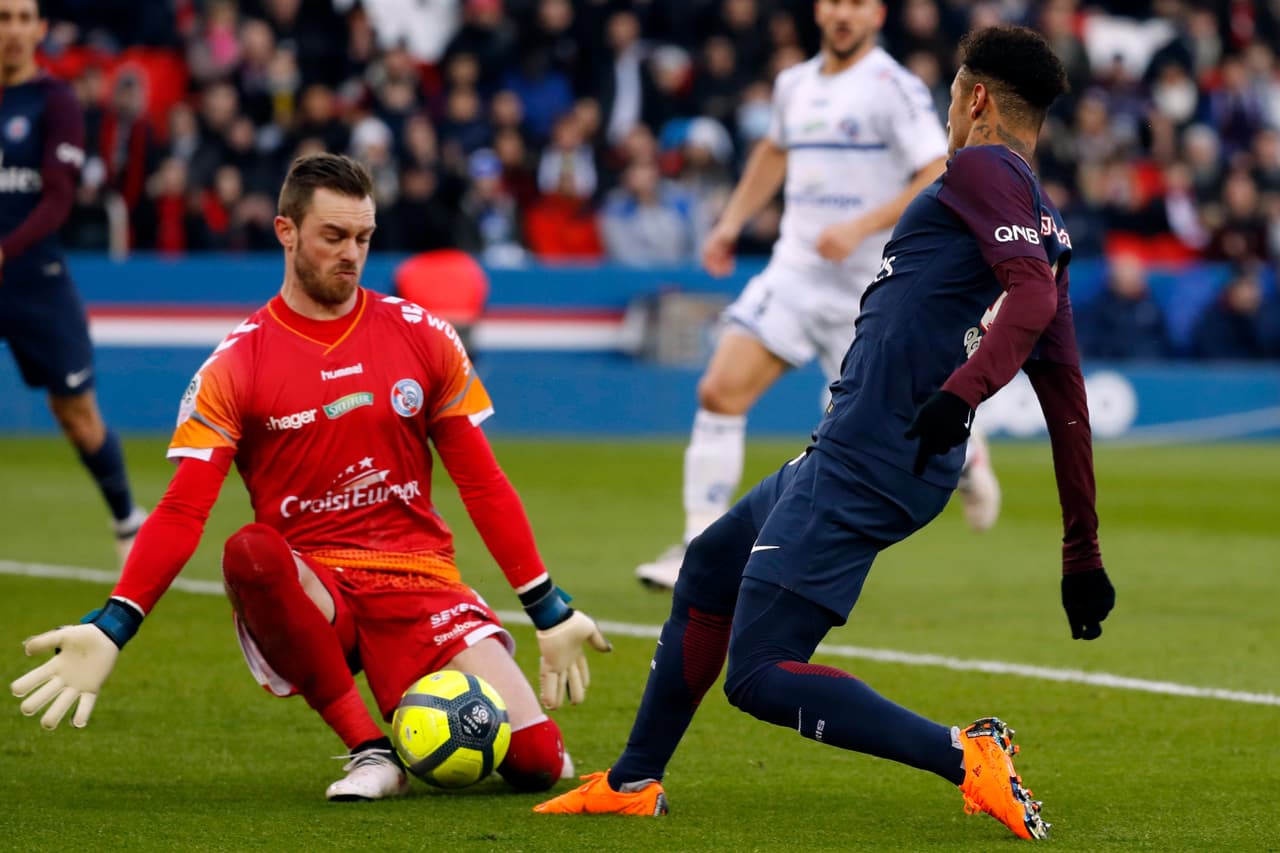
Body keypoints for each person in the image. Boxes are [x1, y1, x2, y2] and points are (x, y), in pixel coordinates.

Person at [535, 26, 1116, 841]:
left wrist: (960, 390)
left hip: (874, 454)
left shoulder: (982, 168)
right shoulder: (1046, 223)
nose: (951, 107)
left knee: (762, 673)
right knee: (708, 565)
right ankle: (633, 779)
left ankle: (966, 754)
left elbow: (1025, 306)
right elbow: (1067, 395)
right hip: (871, 449)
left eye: (952, 91)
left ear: (975, 98)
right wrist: (1081, 548)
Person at [10, 153, 612, 802]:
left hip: (420, 581)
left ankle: (450, 699)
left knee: (536, 764)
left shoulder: (423, 334)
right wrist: (113, 624)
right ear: (286, 231)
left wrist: (548, 609)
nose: (351, 254)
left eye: (362, 238)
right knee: (250, 553)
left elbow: (484, 483)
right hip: (318, 588)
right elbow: (183, 512)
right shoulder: (236, 365)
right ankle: (370, 750)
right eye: (333, 236)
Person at [635, 0, 999, 591]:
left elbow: (938, 168)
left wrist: (859, 227)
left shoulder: (892, 88)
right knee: (719, 391)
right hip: (797, 273)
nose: (842, 14)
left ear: (877, 13)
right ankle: (698, 547)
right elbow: (774, 152)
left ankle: (970, 460)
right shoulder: (793, 84)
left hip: (873, 284)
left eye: (855, 4)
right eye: (832, 2)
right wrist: (730, 223)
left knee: (909, 425)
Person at [0, 0, 146, 563]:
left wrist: (4, 250)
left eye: (22, 17)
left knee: (77, 416)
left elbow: (58, 199)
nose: (13, 29)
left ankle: (127, 520)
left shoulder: (54, 101)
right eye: (3, 16)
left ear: (39, 29)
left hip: (36, 280)